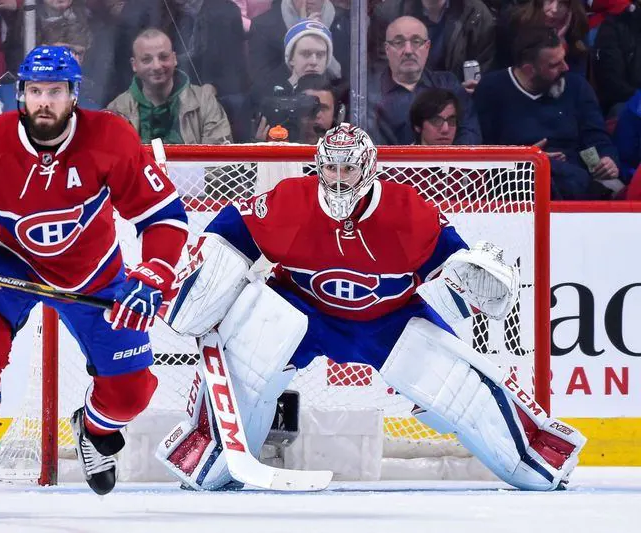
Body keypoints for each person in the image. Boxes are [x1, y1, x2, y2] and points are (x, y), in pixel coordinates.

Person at [156, 123, 585, 493]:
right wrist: (204, 274)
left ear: (368, 169)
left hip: (389, 322)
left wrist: (473, 275)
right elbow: (232, 230)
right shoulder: (291, 202)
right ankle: (210, 446)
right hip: (304, 314)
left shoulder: (407, 214)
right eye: (331, 168)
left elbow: (456, 267)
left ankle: (534, 452)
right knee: (247, 356)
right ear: (318, 167)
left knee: (466, 399)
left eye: (349, 169)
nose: (339, 179)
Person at [0, 46, 188, 518]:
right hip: (6, 264)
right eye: (35, 91)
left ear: (73, 95)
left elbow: (164, 216)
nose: (44, 102)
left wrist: (154, 271)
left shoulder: (110, 137)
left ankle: (94, 431)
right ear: (21, 96)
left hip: (91, 272)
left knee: (132, 392)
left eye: (55, 91)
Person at [475, 26, 621, 199]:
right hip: (517, 179)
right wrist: (526, 156)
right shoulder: (492, 89)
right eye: (555, 65)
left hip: (576, 174)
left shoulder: (577, 86)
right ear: (529, 69)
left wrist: (607, 158)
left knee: (613, 187)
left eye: (564, 59)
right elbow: (482, 147)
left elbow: (595, 136)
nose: (566, 68)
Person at [367, 16, 481, 145]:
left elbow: (470, 134)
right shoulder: (369, 93)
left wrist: (440, 162)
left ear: (427, 47)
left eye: (416, 42)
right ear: (387, 49)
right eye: (399, 43)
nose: (408, 51)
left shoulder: (448, 84)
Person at [107, 29, 233, 144]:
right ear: (134, 65)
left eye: (163, 57)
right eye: (147, 60)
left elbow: (219, 163)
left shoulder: (205, 102)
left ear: (174, 59)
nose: (156, 66)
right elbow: (112, 162)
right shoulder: (117, 110)